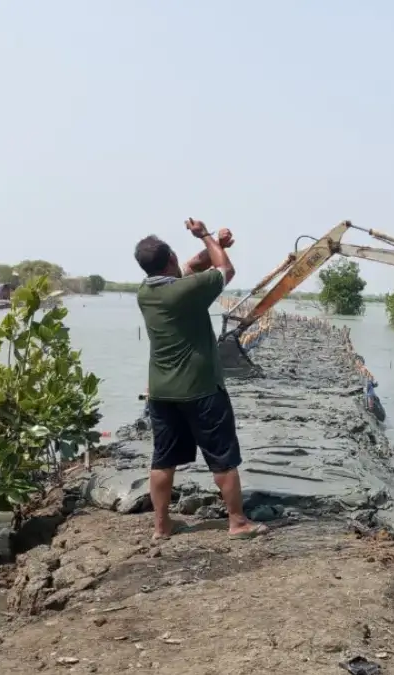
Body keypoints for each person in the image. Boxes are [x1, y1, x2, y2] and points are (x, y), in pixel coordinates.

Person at [134, 218, 267, 541]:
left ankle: (162, 527)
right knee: (222, 458)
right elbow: (226, 271)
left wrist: (214, 245)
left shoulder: (147, 292)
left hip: (163, 392)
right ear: (169, 261)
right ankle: (237, 522)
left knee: (163, 459)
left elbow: (195, 265)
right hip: (201, 388)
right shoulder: (184, 291)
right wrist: (206, 235)